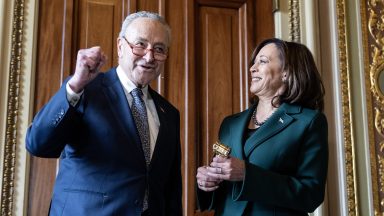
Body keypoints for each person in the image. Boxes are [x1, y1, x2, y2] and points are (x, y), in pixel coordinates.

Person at [26, 11, 182, 216]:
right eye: (140, 44)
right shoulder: (85, 90)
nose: (150, 56)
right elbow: (38, 144)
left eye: (159, 49)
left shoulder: (169, 113)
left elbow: (171, 191)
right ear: (120, 46)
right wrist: (74, 87)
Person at [196, 38, 328, 216]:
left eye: (263, 61)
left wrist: (247, 175)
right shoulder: (230, 124)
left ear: (286, 73)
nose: (252, 68)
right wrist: (208, 182)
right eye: (254, 62)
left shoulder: (308, 122)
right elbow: (222, 182)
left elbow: (311, 194)